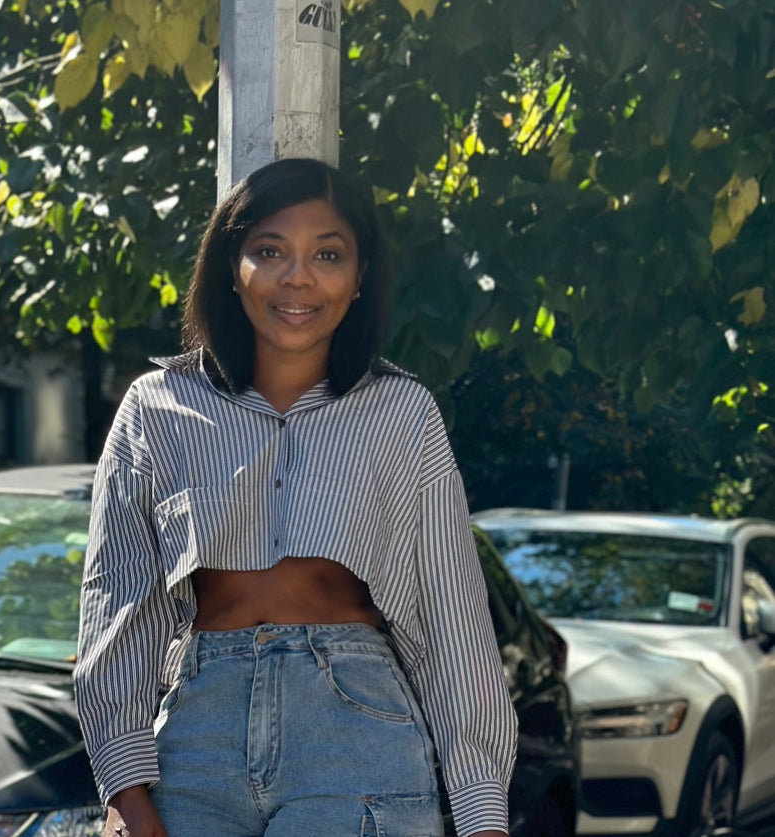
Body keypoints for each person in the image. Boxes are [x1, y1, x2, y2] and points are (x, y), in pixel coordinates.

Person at [73, 157, 516, 837]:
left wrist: (483, 813)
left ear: (360, 275)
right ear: (232, 264)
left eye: (328, 254)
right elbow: (117, 611)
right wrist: (123, 790)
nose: (298, 276)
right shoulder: (155, 408)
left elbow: (454, 626)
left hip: (356, 731)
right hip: (194, 742)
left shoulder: (402, 414)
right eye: (269, 250)